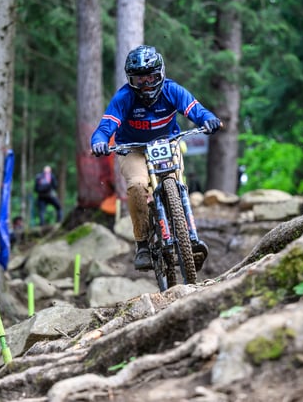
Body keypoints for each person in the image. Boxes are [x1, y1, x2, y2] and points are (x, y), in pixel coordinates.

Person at [91, 45, 221, 271]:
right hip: (134, 149)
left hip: (167, 144)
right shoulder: (124, 97)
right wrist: (99, 142)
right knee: (137, 185)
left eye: (150, 77)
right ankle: (142, 245)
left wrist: (208, 120)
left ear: (160, 74)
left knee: (178, 185)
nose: (146, 84)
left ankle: (189, 237)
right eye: (139, 80)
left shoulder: (173, 91)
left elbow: (197, 110)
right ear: (131, 80)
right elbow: (105, 127)